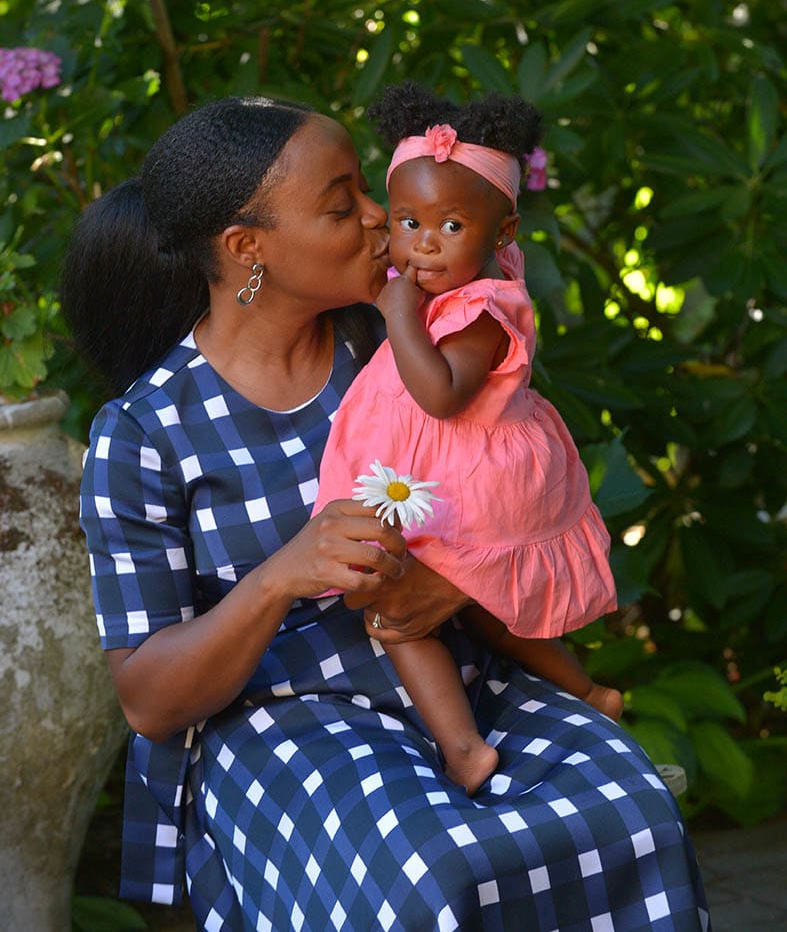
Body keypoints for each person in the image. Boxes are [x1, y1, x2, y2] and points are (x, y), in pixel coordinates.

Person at [60, 94, 711, 931]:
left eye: (369, 191)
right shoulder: (146, 433)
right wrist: (280, 577)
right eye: (342, 205)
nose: (379, 219)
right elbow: (149, 699)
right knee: (426, 868)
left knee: (628, 809)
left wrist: (462, 585)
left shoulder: (394, 345)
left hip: (457, 680)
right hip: (279, 729)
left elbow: (510, 495)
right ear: (246, 248)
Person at [312, 83, 622, 795]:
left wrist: (397, 314)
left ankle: (464, 747)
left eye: (450, 226)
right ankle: (587, 695)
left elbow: (442, 394)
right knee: (477, 610)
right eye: (407, 220)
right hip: (431, 481)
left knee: (401, 613)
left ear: (501, 236)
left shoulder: (484, 307)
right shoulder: (428, 292)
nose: (422, 241)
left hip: (471, 485)